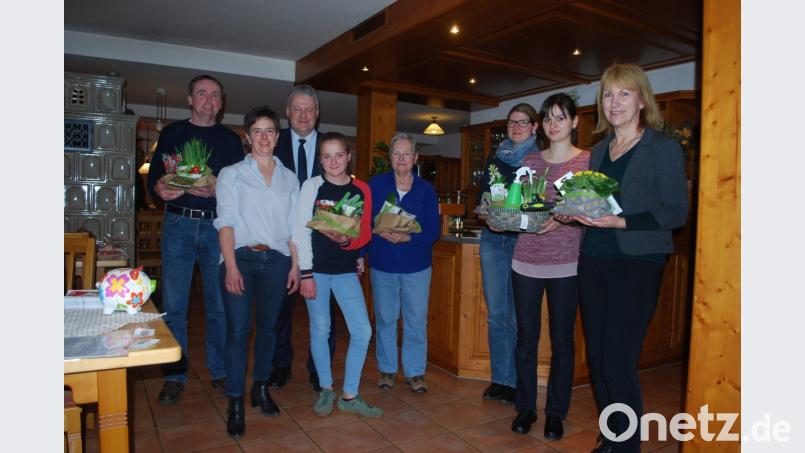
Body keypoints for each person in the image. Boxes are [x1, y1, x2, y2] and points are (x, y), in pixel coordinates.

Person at [559, 63, 688, 453]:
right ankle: (612, 436)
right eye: (609, 95)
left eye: (624, 94)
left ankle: (628, 446)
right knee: (597, 361)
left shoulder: (661, 147)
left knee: (617, 360)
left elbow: (675, 212)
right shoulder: (599, 151)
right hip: (593, 260)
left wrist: (620, 221)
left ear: (641, 99)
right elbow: (595, 202)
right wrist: (572, 211)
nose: (614, 103)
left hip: (637, 264)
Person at [147, 74, 244, 404]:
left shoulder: (231, 140)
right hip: (179, 226)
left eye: (215, 95)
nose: (209, 100)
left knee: (218, 305)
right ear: (190, 99)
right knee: (174, 305)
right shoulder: (173, 133)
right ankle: (175, 374)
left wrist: (220, 188)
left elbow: (239, 188)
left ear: (222, 101)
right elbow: (155, 182)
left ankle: (218, 371)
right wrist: (159, 189)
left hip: (217, 228)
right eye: (202, 93)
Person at [213, 106, 300, 438]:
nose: (264, 137)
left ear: (278, 137)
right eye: (258, 131)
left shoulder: (289, 178)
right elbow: (226, 223)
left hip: (277, 261)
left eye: (270, 131)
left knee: (268, 329)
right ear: (247, 137)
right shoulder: (232, 174)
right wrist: (231, 267)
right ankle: (234, 399)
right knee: (238, 331)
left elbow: (293, 228)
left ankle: (260, 387)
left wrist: (294, 265)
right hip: (241, 259)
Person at [509, 94, 589, 437]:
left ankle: (556, 412)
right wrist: (503, 215)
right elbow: (515, 207)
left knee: (562, 341)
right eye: (549, 118)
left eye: (561, 117)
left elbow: (593, 211)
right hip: (526, 261)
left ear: (574, 122)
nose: (554, 124)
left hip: (566, 264)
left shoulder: (586, 161)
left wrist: (566, 219)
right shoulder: (530, 160)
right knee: (526, 338)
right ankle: (525, 408)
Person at [292, 132, 383, 418]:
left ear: (348, 157)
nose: (333, 161)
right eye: (327, 156)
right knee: (320, 330)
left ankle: (349, 394)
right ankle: (326, 388)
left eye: (338, 155)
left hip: (346, 272)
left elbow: (364, 232)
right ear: (320, 160)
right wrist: (305, 273)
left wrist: (348, 245)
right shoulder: (312, 187)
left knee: (362, 331)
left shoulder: (362, 190)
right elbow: (299, 231)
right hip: (315, 271)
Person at [269, 84, 337, 391]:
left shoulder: (330, 147)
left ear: (318, 113)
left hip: (321, 243)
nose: (303, 115)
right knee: (278, 310)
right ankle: (279, 364)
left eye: (309, 109)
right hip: (280, 239)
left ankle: (318, 367)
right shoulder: (272, 143)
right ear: (287, 113)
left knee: (323, 313)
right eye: (297, 109)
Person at [476, 103, 540, 405]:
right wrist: (486, 213)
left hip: (521, 243)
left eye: (522, 122)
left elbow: (538, 205)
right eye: (512, 122)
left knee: (516, 318)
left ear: (535, 126)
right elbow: (484, 197)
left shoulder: (539, 160)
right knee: (497, 315)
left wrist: (513, 219)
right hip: (492, 240)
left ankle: (516, 382)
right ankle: (499, 379)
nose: (516, 127)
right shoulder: (496, 158)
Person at [368, 133, 440, 393]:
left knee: (415, 320)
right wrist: (378, 230)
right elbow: (365, 223)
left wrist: (408, 237)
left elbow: (433, 230)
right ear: (390, 157)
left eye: (406, 153)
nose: (401, 158)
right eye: (396, 153)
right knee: (386, 319)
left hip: (416, 266)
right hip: (383, 263)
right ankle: (387, 370)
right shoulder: (376, 185)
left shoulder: (426, 190)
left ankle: (415, 372)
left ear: (415, 158)